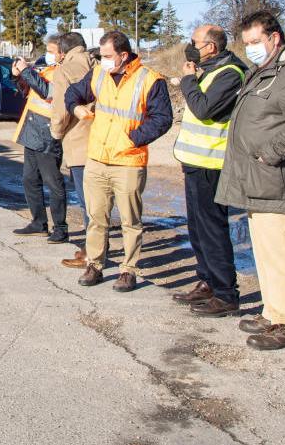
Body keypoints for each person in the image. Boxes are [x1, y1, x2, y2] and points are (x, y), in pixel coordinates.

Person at [215, 10, 285, 350]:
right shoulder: (267, 71)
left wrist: (268, 153)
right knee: (266, 251)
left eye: (256, 42)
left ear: (274, 38)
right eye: (246, 44)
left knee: (283, 254)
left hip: (279, 180)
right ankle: (272, 312)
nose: (250, 49)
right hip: (259, 181)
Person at [64, 31, 173, 291]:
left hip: (128, 161)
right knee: (96, 217)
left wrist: (133, 138)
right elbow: (73, 93)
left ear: (123, 55)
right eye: (101, 56)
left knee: (130, 221)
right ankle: (95, 265)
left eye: (107, 56)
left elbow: (162, 118)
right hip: (98, 159)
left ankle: (128, 270)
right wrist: (76, 107)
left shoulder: (150, 80)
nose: (102, 61)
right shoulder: (99, 74)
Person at [169, 25, 247, 317]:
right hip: (194, 163)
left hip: (212, 165)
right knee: (197, 228)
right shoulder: (210, 71)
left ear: (211, 47)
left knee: (213, 230)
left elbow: (203, 109)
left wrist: (189, 79)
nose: (190, 47)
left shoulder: (230, 74)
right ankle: (207, 281)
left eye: (195, 43)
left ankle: (226, 293)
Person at [11, 36, 68, 243]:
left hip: (48, 134)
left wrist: (27, 70)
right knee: (29, 179)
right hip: (32, 132)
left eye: (52, 50)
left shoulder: (63, 73)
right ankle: (38, 222)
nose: (48, 54)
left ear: (62, 53)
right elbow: (28, 91)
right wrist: (18, 76)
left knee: (53, 183)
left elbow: (46, 93)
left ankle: (60, 227)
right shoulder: (45, 69)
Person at [48, 31, 96, 268]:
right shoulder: (97, 65)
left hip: (78, 139)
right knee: (97, 200)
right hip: (101, 138)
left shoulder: (64, 71)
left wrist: (56, 133)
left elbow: (61, 109)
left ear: (64, 51)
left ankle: (93, 253)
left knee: (88, 201)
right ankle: (92, 247)